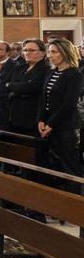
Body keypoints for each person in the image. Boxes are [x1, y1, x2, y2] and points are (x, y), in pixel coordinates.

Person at [37, 38, 83, 178]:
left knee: (70, 165)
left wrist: (51, 124)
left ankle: (75, 197)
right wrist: (40, 120)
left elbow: (68, 104)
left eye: (54, 52)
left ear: (65, 53)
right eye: (49, 52)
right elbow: (43, 99)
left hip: (66, 126)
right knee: (54, 165)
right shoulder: (51, 72)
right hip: (48, 124)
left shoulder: (74, 74)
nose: (49, 55)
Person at [5, 39, 48, 135]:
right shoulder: (19, 68)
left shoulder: (45, 69)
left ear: (43, 53)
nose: (27, 53)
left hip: (31, 116)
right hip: (13, 114)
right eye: (25, 50)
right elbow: (7, 85)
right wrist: (14, 86)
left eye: (32, 50)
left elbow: (31, 87)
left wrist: (12, 86)